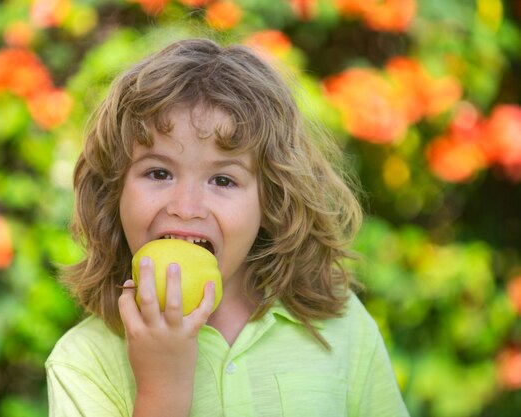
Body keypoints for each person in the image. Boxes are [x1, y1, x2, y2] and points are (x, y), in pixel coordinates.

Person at [46, 38, 410, 417]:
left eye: (223, 180)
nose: (185, 208)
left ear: (272, 200)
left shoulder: (341, 326)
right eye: (158, 172)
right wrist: (162, 389)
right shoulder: (84, 363)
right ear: (113, 189)